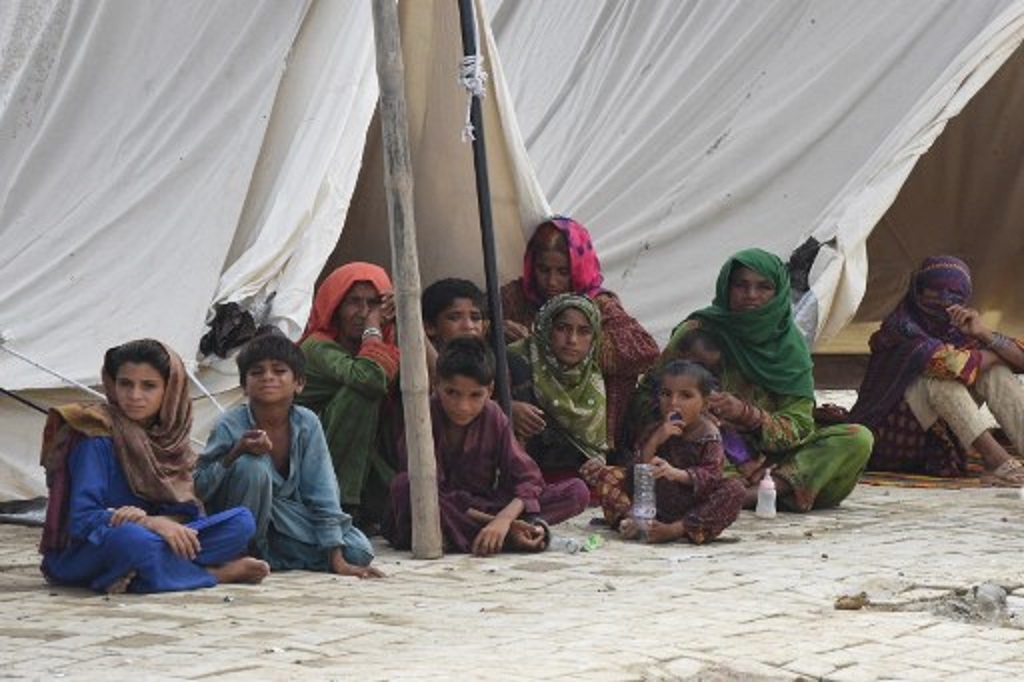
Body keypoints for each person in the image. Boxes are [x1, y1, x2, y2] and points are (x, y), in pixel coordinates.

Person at [634, 248, 873, 511]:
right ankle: (746, 493)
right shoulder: (697, 332)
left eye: (763, 287)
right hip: (705, 452)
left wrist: (747, 414)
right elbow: (647, 397)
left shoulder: (789, 347)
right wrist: (691, 417)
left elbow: (800, 425)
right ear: (727, 287)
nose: (751, 295)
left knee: (857, 438)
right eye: (741, 285)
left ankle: (752, 494)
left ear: (778, 291)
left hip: (774, 462)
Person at [39, 339, 268, 594]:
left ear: (170, 390)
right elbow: (81, 520)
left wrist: (161, 522)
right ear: (113, 385)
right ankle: (213, 574)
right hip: (92, 547)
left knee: (241, 522)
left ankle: (140, 574)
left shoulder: (170, 440)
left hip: (157, 535)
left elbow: (185, 511)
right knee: (134, 541)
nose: (134, 396)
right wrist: (144, 523)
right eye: (125, 384)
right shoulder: (95, 437)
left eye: (148, 386)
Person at [195, 332, 384, 578]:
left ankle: (271, 555)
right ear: (244, 385)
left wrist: (337, 558)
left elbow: (322, 490)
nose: (268, 378)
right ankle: (243, 556)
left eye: (279, 370)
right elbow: (200, 486)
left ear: (299, 383)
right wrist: (236, 452)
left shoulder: (307, 423)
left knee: (358, 550)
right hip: (241, 518)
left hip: (287, 518)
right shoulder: (230, 424)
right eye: (257, 372)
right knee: (252, 467)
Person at [386, 338, 590, 555]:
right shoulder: (423, 416)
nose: (463, 406)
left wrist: (504, 518)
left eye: (475, 395)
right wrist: (502, 524)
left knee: (577, 491)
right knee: (406, 486)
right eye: (452, 393)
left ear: (490, 390)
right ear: (436, 384)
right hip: (442, 508)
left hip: (483, 506)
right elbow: (433, 493)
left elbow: (528, 479)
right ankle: (510, 536)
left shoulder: (493, 415)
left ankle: (486, 535)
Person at [850, 255, 1024, 485]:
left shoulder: (959, 328)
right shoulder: (901, 327)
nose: (944, 300)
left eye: (954, 295)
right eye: (935, 292)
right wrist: (993, 354)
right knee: (939, 378)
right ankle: (995, 458)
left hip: (941, 432)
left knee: (996, 373)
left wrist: (984, 334)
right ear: (918, 291)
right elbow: (951, 365)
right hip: (890, 436)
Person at [500, 216, 659, 453]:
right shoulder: (516, 298)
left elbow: (645, 350)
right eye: (543, 270)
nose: (551, 282)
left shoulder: (599, 304)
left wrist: (558, 345)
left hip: (592, 429)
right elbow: (469, 328)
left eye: (563, 272)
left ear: (579, 267)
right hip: (530, 427)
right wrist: (493, 327)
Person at [583, 360, 745, 544]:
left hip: (690, 507)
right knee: (608, 475)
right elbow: (637, 473)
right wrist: (655, 441)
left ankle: (675, 530)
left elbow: (712, 476)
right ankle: (633, 522)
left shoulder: (709, 435)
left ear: (705, 404)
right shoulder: (656, 429)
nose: (673, 403)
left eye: (686, 396)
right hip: (652, 502)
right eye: (666, 394)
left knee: (734, 489)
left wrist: (676, 474)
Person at [296, 262, 400, 531]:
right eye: (353, 302)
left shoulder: (385, 345)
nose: (363, 313)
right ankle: (341, 506)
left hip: (368, 455)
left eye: (373, 303)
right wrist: (374, 326)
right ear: (336, 306)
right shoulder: (317, 345)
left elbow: (433, 380)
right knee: (360, 394)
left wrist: (409, 319)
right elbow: (369, 378)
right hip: (308, 458)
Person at [507, 293, 609, 479]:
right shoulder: (513, 360)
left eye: (584, 331)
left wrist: (596, 463)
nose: (572, 340)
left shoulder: (591, 381)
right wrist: (506, 408)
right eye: (562, 328)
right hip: (512, 474)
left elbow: (593, 449)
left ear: (594, 338)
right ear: (546, 327)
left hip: (562, 480)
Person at [421, 277, 487, 385]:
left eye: (475, 318)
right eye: (454, 318)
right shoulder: (416, 370)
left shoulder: (498, 366)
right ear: (430, 327)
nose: (468, 326)